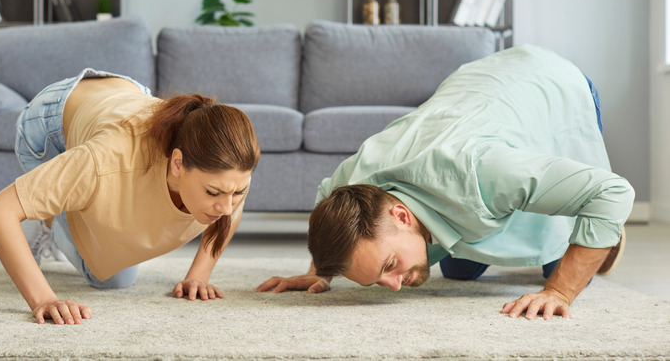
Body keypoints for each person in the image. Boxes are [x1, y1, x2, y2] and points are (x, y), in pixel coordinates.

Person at [257, 45, 633, 320]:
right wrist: (319, 271)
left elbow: (611, 192)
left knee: (561, 265)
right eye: (375, 280)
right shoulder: (351, 186)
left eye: (388, 265)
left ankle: (601, 234)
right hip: (472, 84)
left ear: (402, 215)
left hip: (550, 82)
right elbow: (328, 202)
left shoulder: (481, 171)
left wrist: (560, 290)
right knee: (458, 270)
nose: (392, 286)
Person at [0, 68, 259, 325]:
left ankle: (53, 205)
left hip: (121, 99)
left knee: (115, 276)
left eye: (237, 192)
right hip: (51, 121)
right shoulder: (105, 161)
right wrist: (44, 300)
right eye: (213, 192)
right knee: (103, 268)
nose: (226, 206)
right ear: (177, 163)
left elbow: (231, 206)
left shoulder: (226, 168)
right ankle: (43, 219)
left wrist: (199, 275)